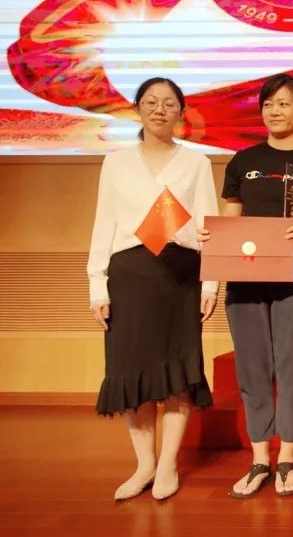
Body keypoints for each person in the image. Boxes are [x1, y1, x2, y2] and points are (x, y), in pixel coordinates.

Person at [87, 77, 218, 501]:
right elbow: (104, 223)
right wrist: (97, 286)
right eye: (150, 102)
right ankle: (144, 464)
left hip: (180, 275)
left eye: (168, 103)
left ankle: (167, 466)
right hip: (129, 276)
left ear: (181, 111)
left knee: (178, 372)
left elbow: (208, 226)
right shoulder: (116, 163)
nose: (159, 109)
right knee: (132, 373)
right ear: (137, 109)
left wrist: (211, 283)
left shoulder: (195, 163)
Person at [197, 74, 293, 499]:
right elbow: (231, 220)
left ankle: (286, 456)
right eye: (268, 104)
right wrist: (214, 239)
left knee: (290, 365)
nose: (274, 111)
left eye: (284, 103)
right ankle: (259, 459)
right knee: (252, 367)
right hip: (246, 276)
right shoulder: (242, 161)